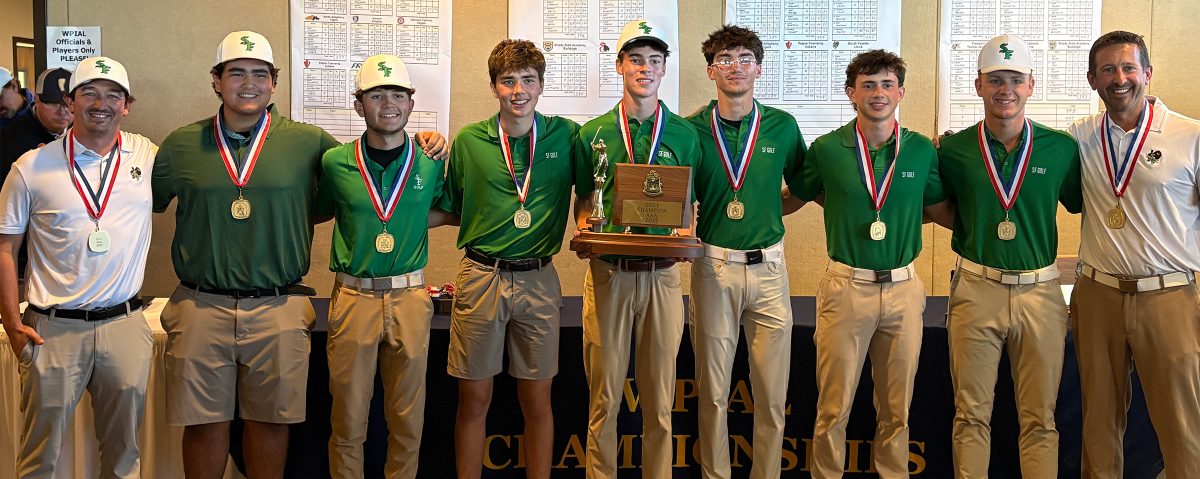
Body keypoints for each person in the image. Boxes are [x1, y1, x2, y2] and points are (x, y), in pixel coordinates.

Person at [152, 30, 340, 478]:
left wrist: (424, 143)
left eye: (260, 74)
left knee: (270, 423)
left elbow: (361, 179)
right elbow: (136, 202)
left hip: (279, 304)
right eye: (236, 73)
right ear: (216, 81)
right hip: (200, 303)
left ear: (274, 82)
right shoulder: (181, 144)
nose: (249, 83)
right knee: (203, 425)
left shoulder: (310, 142)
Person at [0, 56, 156, 479]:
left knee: (124, 457)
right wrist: (12, 322)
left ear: (127, 105)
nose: (101, 104)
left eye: (113, 95)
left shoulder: (147, 155)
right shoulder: (31, 167)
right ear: (71, 102)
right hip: (53, 329)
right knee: (39, 458)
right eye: (89, 93)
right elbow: (5, 248)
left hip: (124, 324)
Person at [934, 35, 1082, 477]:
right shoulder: (953, 150)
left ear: (1031, 85)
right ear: (978, 85)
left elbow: (1084, 204)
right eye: (995, 79)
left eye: (1016, 80)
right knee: (970, 415)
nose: (1006, 89)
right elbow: (938, 208)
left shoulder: (1061, 148)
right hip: (976, 288)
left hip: (1041, 292)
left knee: (1040, 419)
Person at [792, 49, 944, 478]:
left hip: (904, 289)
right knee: (833, 406)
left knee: (897, 409)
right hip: (847, 287)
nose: (879, 93)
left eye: (887, 84)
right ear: (851, 93)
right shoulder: (826, 148)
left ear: (901, 93)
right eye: (868, 85)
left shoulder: (920, 150)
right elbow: (801, 193)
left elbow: (936, 207)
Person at [437, 39, 577, 479]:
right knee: (473, 400)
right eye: (508, 81)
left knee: (537, 401)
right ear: (493, 86)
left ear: (541, 85)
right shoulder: (469, 140)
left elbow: (595, 191)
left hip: (539, 277)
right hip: (482, 276)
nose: (519, 91)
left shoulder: (566, 136)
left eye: (528, 80)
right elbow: (451, 208)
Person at [1066, 30, 1200, 478]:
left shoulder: (1190, 136)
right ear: (1092, 80)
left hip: (1170, 296)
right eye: (1107, 70)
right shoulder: (1080, 137)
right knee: (1099, 421)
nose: (1119, 79)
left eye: (1128, 68)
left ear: (1147, 73)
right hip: (1097, 295)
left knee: (1183, 422)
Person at [572, 19, 699, 479]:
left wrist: (685, 234)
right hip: (610, 273)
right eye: (636, 59)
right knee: (604, 398)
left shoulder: (684, 133)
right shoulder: (592, 133)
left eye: (654, 61)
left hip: (663, 278)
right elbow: (585, 199)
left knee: (660, 402)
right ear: (620, 65)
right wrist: (586, 231)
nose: (645, 68)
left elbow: (689, 204)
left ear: (664, 68)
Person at [318, 53, 450, 479]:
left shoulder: (431, 160)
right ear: (359, 105)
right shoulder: (335, 162)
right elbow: (322, 210)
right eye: (376, 96)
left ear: (411, 103)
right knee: (347, 421)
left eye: (397, 94)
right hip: (353, 296)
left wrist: (404, 219)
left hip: (410, 296)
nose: (388, 104)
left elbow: (448, 211)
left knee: (407, 421)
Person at [684, 24, 805, 479]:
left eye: (745, 59)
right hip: (714, 267)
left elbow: (801, 186)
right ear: (711, 71)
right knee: (713, 392)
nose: (735, 67)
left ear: (759, 68)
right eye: (725, 59)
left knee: (772, 393)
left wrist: (768, 209)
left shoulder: (782, 126)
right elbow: (680, 197)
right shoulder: (691, 129)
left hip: (769, 268)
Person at [1, 68, 73, 179]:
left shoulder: (84, 133)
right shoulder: (7, 141)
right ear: (37, 99)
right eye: (52, 103)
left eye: (69, 104)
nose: (62, 112)